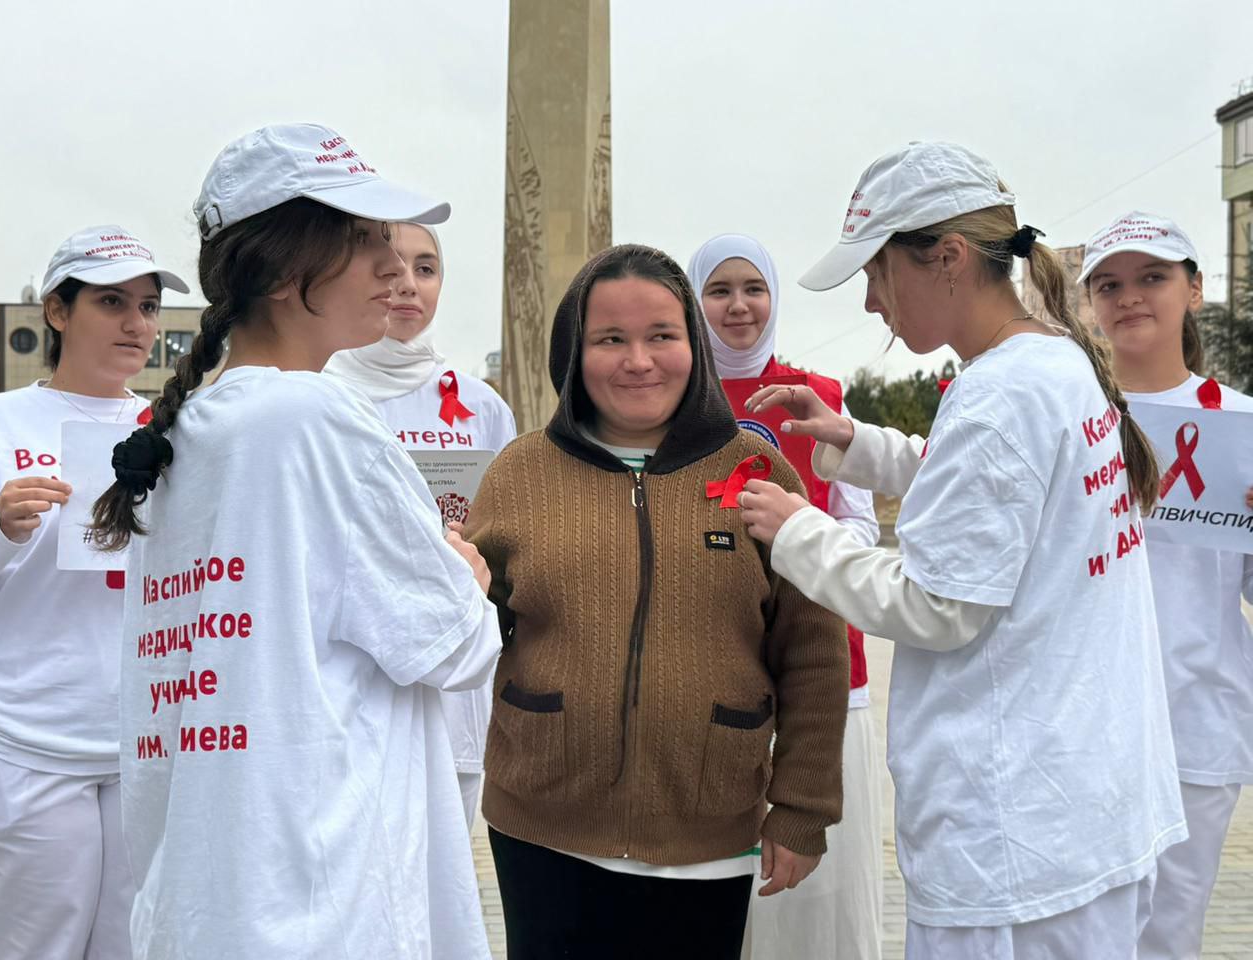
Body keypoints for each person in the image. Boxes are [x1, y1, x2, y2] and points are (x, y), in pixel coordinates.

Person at [737, 142, 1186, 959]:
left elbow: (938, 604)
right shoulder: (1047, 364)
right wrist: (857, 442)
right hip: (1087, 809)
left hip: (1017, 845)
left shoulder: (997, 397)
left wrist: (798, 532)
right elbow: (995, 492)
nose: (873, 303)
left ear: (945, 258)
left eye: (878, 274)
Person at [88, 123, 502, 960]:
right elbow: (451, 642)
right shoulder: (318, 417)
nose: (393, 267)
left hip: (210, 894)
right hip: (324, 892)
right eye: (361, 242)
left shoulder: (188, 433)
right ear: (281, 271)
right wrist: (468, 572)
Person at [462, 243, 851, 960]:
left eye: (661, 337)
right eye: (611, 339)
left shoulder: (755, 471)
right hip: (541, 829)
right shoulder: (519, 474)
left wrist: (802, 810)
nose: (638, 360)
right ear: (574, 352)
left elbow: (812, 651)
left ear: (692, 348)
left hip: (707, 833)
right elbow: (468, 625)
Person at [0, 225, 187, 960]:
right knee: (34, 945)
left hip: (140, 736)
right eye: (111, 302)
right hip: (21, 737)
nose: (137, 324)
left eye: (150, 306)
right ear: (57, 312)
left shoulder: (174, 433)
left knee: (136, 945)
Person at [687, 233, 883, 959]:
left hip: (824, 666)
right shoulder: (672, 400)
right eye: (720, 290)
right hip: (716, 663)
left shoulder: (822, 396)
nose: (739, 306)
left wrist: (805, 554)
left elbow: (858, 525)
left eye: (753, 289)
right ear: (696, 299)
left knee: (820, 889)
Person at [1078, 210, 1253, 960]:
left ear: (1195, 290)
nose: (1131, 297)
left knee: (1166, 939)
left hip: (1195, 725)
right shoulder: (1069, 418)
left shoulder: (1242, 426)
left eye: (1153, 277)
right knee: (1076, 934)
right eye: (1109, 284)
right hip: (1080, 726)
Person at [324, 220, 515, 827]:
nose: (407, 284)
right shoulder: (317, 389)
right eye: (390, 265)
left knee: (442, 899)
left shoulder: (480, 404)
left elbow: (509, 540)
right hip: (352, 687)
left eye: (426, 269)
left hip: (452, 692)